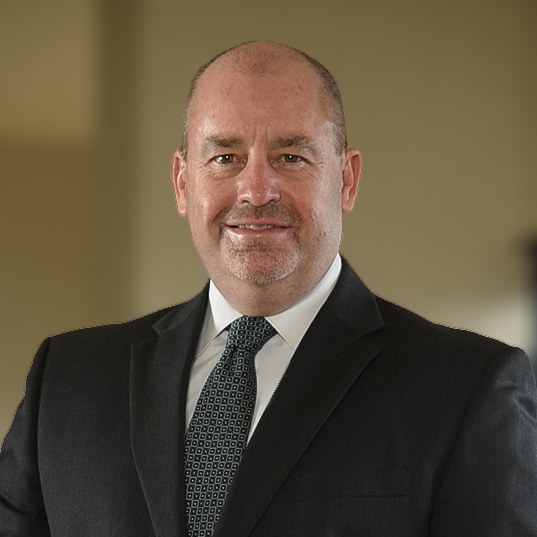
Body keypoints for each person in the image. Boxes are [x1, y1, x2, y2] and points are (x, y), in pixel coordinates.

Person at [1, 41, 536, 537]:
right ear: (183, 183)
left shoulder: (468, 389)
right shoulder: (65, 383)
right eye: (225, 158)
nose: (256, 191)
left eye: (291, 157)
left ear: (346, 180)